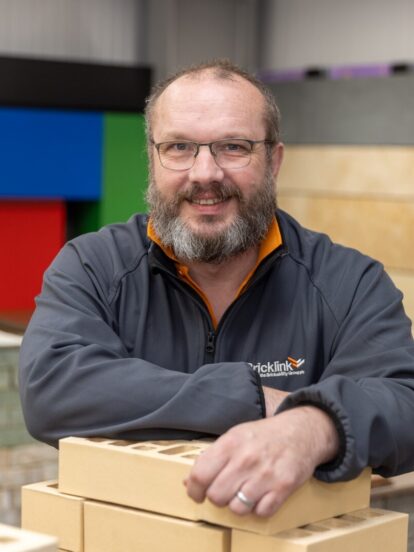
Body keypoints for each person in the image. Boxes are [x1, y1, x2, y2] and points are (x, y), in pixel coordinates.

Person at [19, 59, 414, 518]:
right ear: (153, 159)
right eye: (180, 147)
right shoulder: (93, 267)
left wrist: (315, 424)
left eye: (233, 146)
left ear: (275, 161)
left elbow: (404, 403)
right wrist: (252, 400)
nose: (205, 173)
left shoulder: (349, 283)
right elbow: (50, 387)